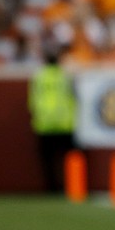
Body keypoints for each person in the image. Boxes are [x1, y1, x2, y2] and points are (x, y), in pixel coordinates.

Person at [28, 47, 77, 193]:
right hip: (65, 123)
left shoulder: (39, 77)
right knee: (69, 159)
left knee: (48, 160)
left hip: (45, 123)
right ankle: (73, 187)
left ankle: (52, 189)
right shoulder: (65, 76)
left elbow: (32, 100)